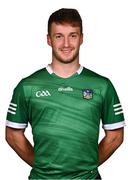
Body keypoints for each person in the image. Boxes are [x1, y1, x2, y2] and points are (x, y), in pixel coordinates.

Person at [5, 8, 125, 180]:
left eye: (73, 35)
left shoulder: (102, 85)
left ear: (82, 38)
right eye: (59, 36)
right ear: (49, 39)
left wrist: (86, 167)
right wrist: (42, 166)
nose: (66, 44)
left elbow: (115, 136)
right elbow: (12, 135)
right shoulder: (28, 86)